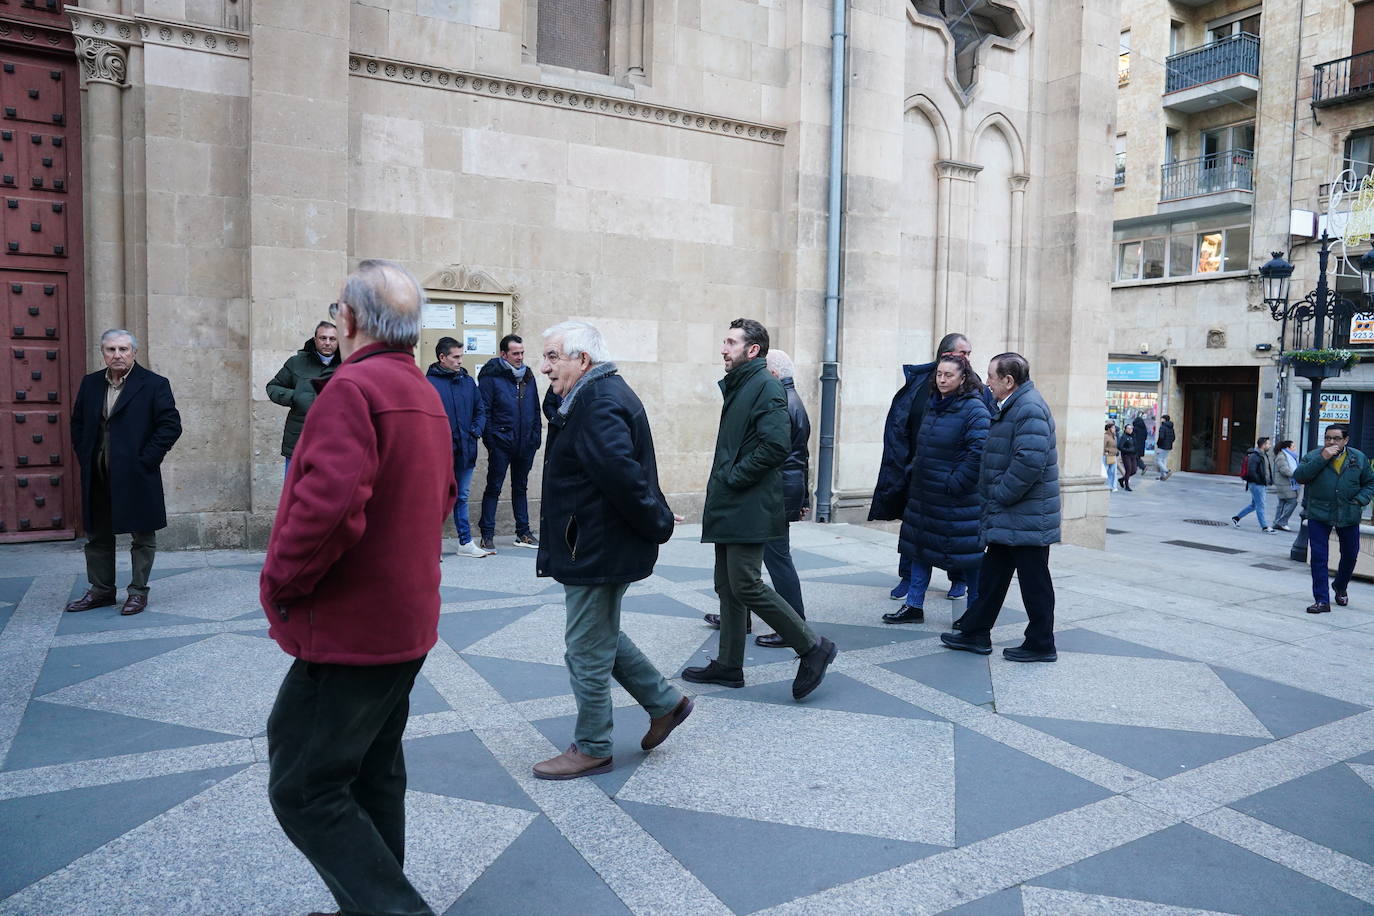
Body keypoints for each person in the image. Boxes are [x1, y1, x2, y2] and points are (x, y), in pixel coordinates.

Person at [261, 259, 455, 916]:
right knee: (374, 771)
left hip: (350, 630)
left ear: (347, 319)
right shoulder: (424, 392)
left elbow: (329, 508)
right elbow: (441, 499)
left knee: (303, 787)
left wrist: (281, 584)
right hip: (406, 620)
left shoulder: (351, 389)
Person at [531, 321, 692, 779]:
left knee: (584, 648)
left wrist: (658, 519)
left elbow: (623, 477)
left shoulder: (598, 402)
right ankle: (666, 702)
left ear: (583, 360)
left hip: (596, 547)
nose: (544, 367)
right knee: (598, 635)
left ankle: (593, 746)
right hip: (592, 542)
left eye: (553, 356)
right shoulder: (588, 396)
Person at [683, 318, 837, 698]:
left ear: (753, 350)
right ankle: (729, 665)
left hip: (747, 503)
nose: (723, 348)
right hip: (733, 503)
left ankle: (812, 646)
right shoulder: (743, 384)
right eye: (724, 341)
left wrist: (733, 478)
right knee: (727, 586)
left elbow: (774, 447)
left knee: (746, 583)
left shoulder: (765, 386)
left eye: (731, 342)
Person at [939, 353, 1060, 663]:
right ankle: (976, 632)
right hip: (1013, 514)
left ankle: (1041, 643)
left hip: (1025, 514)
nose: (988, 382)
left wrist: (1000, 494)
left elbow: (1029, 461)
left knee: (1035, 582)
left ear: (1009, 380)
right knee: (993, 575)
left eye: (992, 377)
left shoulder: (1029, 407)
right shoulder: (1013, 405)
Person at [65, 330, 182, 618]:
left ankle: (137, 592)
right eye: (110, 349)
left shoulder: (154, 384)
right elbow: (78, 422)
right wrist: (85, 455)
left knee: (142, 535)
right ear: (102, 353)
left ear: (134, 352)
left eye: (123, 349)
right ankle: (101, 590)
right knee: (97, 536)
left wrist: (147, 460)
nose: (117, 355)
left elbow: (170, 425)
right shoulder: (91, 383)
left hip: (136, 473)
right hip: (98, 473)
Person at [703, 348, 812, 647]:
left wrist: (736, 477)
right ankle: (740, 619)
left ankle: (794, 626)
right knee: (751, 564)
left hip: (775, 491)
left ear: (774, 374)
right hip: (785, 489)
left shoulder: (779, 399)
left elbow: (779, 452)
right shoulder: (792, 400)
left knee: (776, 560)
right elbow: (802, 456)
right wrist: (803, 497)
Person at [870, 333, 975, 602]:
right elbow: (902, 424)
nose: (968, 358)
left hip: (950, 476)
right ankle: (910, 584)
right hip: (917, 471)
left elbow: (977, 445)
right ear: (945, 354)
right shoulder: (922, 384)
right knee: (914, 531)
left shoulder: (974, 392)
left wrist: (957, 479)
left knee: (955, 533)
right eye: (964, 352)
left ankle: (958, 579)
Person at [886, 354, 990, 626]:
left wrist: (954, 483)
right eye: (939, 374)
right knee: (920, 548)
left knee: (968, 556)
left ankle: (975, 613)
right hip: (924, 493)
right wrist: (915, 471)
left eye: (949, 375)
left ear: (963, 378)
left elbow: (978, 453)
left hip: (956, 498)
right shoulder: (936, 403)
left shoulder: (974, 409)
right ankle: (913, 605)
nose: (942, 380)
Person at [1294, 424, 1374, 614]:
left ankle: (1340, 586)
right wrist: (1323, 458)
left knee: (1350, 555)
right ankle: (1322, 600)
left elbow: (1370, 482)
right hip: (1319, 514)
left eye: (1336, 438)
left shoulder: (1358, 458)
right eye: (1328, 438)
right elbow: (1300, 476)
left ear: (1345, 440)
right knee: (1319, 558)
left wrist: (1360, 501)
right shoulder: (1314, 456)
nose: (1331, 442)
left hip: (1348, 513)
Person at [477, 334, 542, 552]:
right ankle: (486, 535)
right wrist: (492, 441)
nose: (520, 357)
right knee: (494, 487)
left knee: (520, 487)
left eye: (522, 352)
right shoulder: (490, 376)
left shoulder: (528, 376)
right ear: (503, 354)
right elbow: (484, 410)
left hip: (525, 443)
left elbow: (534, 408)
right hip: (501, 442)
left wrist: (535, 438)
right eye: (515, 353)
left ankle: (523, 532)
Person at [427, 336, 488, 558]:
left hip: (466, 450)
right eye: (456, 357)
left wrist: (475, 431)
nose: (460, 361)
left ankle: (465, 543)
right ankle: (432, 546)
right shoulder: (429, 384)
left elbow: (480, 410)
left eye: (461, 356)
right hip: (441, 453)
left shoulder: (468, 381)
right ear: (442, 357)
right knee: (438, 498)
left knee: (461, 497)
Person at [266, 320, 340, 472]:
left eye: (332, 339)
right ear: (315, 339)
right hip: (299, 439)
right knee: (294, 491)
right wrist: (294, 396)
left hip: (334, 441)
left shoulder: (348, 364)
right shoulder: (296, 362)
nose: (327, 343)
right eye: (323, 338)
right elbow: (273, 387)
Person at [1231, 436, 1274, 533]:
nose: (1270, 445)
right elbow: (1252, 471)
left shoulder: (1263, 455)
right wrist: (1260, 481)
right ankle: (1264, 527)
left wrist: (1269, 480)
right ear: (1263, 445)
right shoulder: (1256, 456)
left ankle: (1237, 518)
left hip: (1260, 484)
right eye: (1268, 444)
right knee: (1260, 505)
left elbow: (1266, 470)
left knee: (1254, 505)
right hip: (1257, 484)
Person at [1273, 438, 1300, 532]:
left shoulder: (1289, 456)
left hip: (1287, 483)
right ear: (1287, 448)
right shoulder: (1282, 456)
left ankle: (1277, 522)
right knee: (1293, 502)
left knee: (1282, 503)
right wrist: (1297, 475)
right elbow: (1284, 470)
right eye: (1293, 446)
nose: (1295, 448)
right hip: (1284, 484)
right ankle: (1282, 522)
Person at [1116, 423, 1138, 491]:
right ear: (1125, 430)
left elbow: (1135, 445)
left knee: (1134, 470)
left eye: (1131, 428)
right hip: (1126, 455)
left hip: (1133, 455)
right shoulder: (1123, 437)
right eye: (1128, 428)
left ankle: (1121, 479)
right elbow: (1119, 446)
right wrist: (1127, 450)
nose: (1130, 430)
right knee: (1128, 470)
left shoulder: (1133, 436)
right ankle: (1127, 485)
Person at [1155, 414, 1176, 479]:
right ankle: (1163, 476)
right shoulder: (1171, 427)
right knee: (1164, 460)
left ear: (1164, 419)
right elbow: (1173, 438)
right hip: (1168, 446)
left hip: (1162, 446)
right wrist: (1169, 443)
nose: (1161, 419)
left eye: (1162, 418)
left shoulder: (1162, 427)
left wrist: (1158, 444)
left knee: (1158, 460)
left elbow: (1161, 437)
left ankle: (1167, 471)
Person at [1103, 422, 1120, 492]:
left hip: (1113, 455)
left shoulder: (1114, 437)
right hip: (1107, 456)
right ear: (1109, 429)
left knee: (1113, 472)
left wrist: (1116, 452)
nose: (1114, 429)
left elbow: (1115, 446)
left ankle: (1113, 486)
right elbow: (1103, 446)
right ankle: (1104, 485)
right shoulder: (1106, 436)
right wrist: (1105, 452)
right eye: (1113, 428)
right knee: (1105, 471)